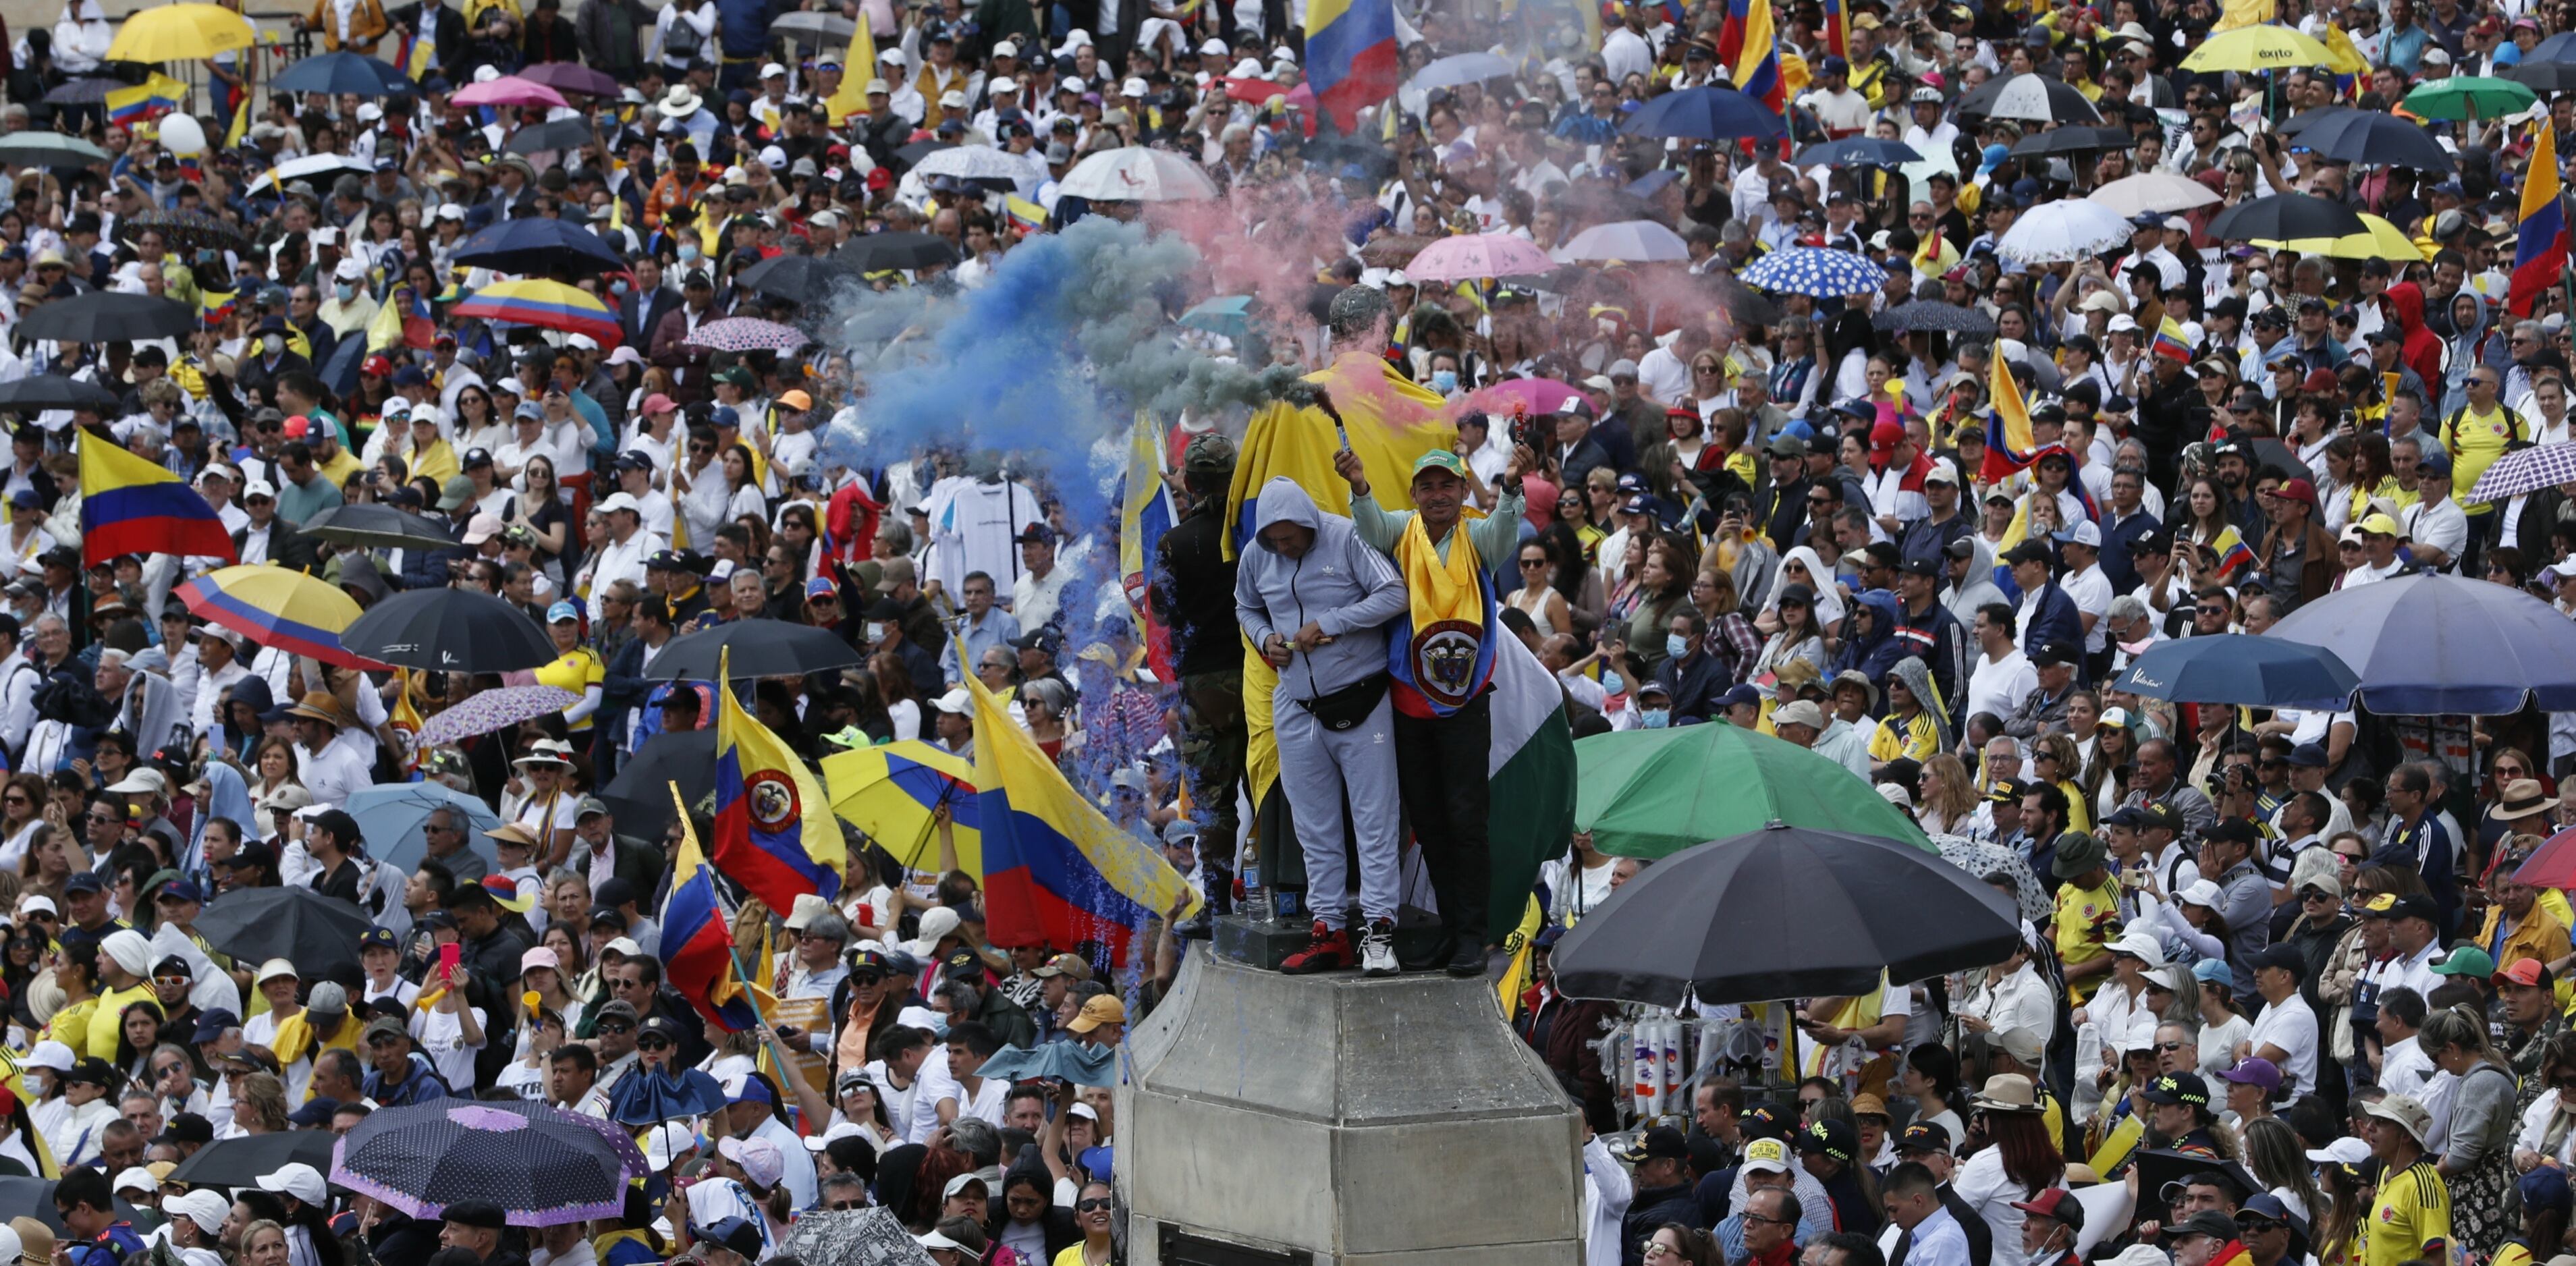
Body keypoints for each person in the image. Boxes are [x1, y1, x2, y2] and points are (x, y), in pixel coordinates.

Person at [1337, 436, 1533, 976]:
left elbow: (1506, 526)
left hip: (1464, 703)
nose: (1437, 494)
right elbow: (1370, 527)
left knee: (1467, 820)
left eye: (1447, 484)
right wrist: (1358, 485)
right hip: (1406, 701)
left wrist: (1513, 485)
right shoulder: (1400, 529)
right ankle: (1450, 929)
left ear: (1463, 489)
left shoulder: (1479, 536)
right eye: (1427, 486)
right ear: (1414, 493)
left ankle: (1473, 936)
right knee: (1427, 820)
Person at [1234, 472, 1408, 977]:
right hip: (1295, 701)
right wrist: (1264, 636)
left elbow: (1394, 593)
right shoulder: (1255, 555)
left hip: (1361, 696)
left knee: (1374, 819)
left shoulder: (1347, 536)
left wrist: (1331, 622)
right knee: (1313, 825)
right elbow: (1245, 605)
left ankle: (1378, 931)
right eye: (1275, 539)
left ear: (1310, 522)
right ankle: (1327, 928)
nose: (1284, 547)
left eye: (1291, 537)